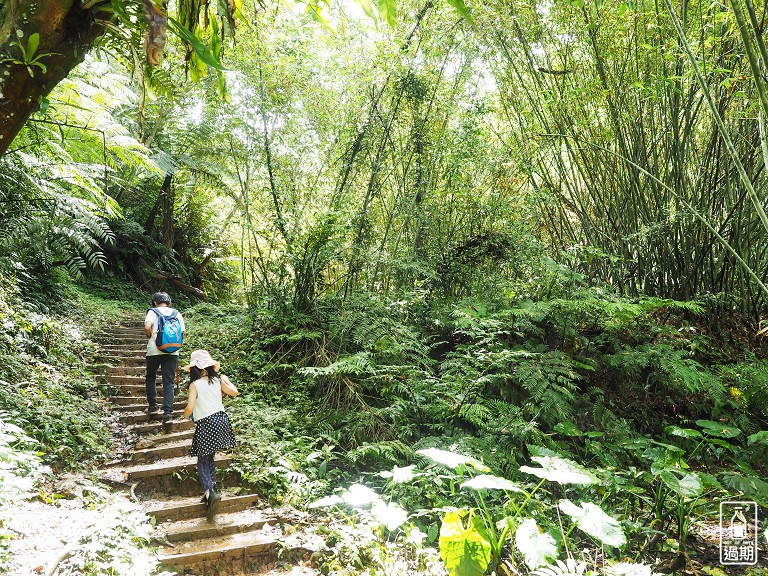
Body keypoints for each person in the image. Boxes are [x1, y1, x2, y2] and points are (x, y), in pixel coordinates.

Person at [182, 349, 238, 520]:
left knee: (202, 460)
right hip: (222, 421)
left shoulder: (195, 385)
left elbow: (190, 408)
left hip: (206, 424)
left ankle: (209, 492)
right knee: (210, 458)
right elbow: (235, 392)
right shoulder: (217, 381)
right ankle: (211, 492)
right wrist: (227, 380)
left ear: (195, 369)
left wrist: (185, 415)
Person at [145, 292, 186, 424]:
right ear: (168, 302)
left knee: (150, 377)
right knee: (168, 382)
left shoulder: (153, 311)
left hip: (154, 349)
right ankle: (167, 414)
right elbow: (182, 333)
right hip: (172, 351)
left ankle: (153, 407)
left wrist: (152, 336)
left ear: (155, 302)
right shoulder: (176, 313)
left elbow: (147, 327)